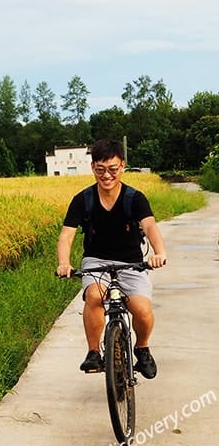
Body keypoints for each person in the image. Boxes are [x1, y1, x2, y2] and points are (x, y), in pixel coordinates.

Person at [56, 139, 167, 378]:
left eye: (113, 169)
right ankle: (93, 352)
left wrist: (159, 253)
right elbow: (66, 235)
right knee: (95, 296)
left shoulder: (134, 198)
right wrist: (64, 263)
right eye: (101, 169)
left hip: (131, 262)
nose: (107, 175)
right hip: (96, 261)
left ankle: (142, 348)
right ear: (93, 167)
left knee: (142, 309)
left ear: (123, 166)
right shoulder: (82, 199)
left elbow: (150, 226)